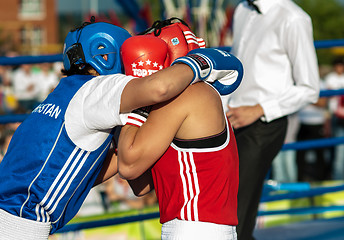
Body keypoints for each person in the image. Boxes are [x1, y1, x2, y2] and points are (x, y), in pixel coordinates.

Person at [0, 19, 238, 239]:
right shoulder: (97, 91)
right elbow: (138, 179)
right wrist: (199, 63)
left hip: (196, 228)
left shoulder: (62, 95)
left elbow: (128, 166)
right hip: (22, 222)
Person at [96, 22, 243, 238]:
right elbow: (141, 185)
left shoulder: (190, 95)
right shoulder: (179, 105)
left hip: (195, 227)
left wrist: (136, 104)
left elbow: (128, 166)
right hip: (195, 227)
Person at [224, 0, 320, 239]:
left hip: (264, 125)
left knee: (237, 209)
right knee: (228, 205)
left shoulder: (294, 18)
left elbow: (310, 88)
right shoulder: (241, 9)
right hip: (230, 120)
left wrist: (258, 109)